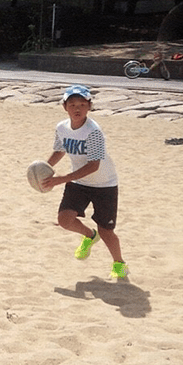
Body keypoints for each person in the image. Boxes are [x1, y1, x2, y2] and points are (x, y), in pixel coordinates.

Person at [42, 84, 128, 279]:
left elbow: (93, 165)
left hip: (104, 184)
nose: (77, 108)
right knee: (64, 220)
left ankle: (119, 264)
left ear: (89, 106)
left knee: (106, 231)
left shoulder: (93, 131)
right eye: (72, 104)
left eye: (82, 104)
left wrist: (61, 179)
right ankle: (90, 236)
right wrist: (44, 169)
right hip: (79, 183)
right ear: (65, 107)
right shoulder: (62, 128)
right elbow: (59, 150)